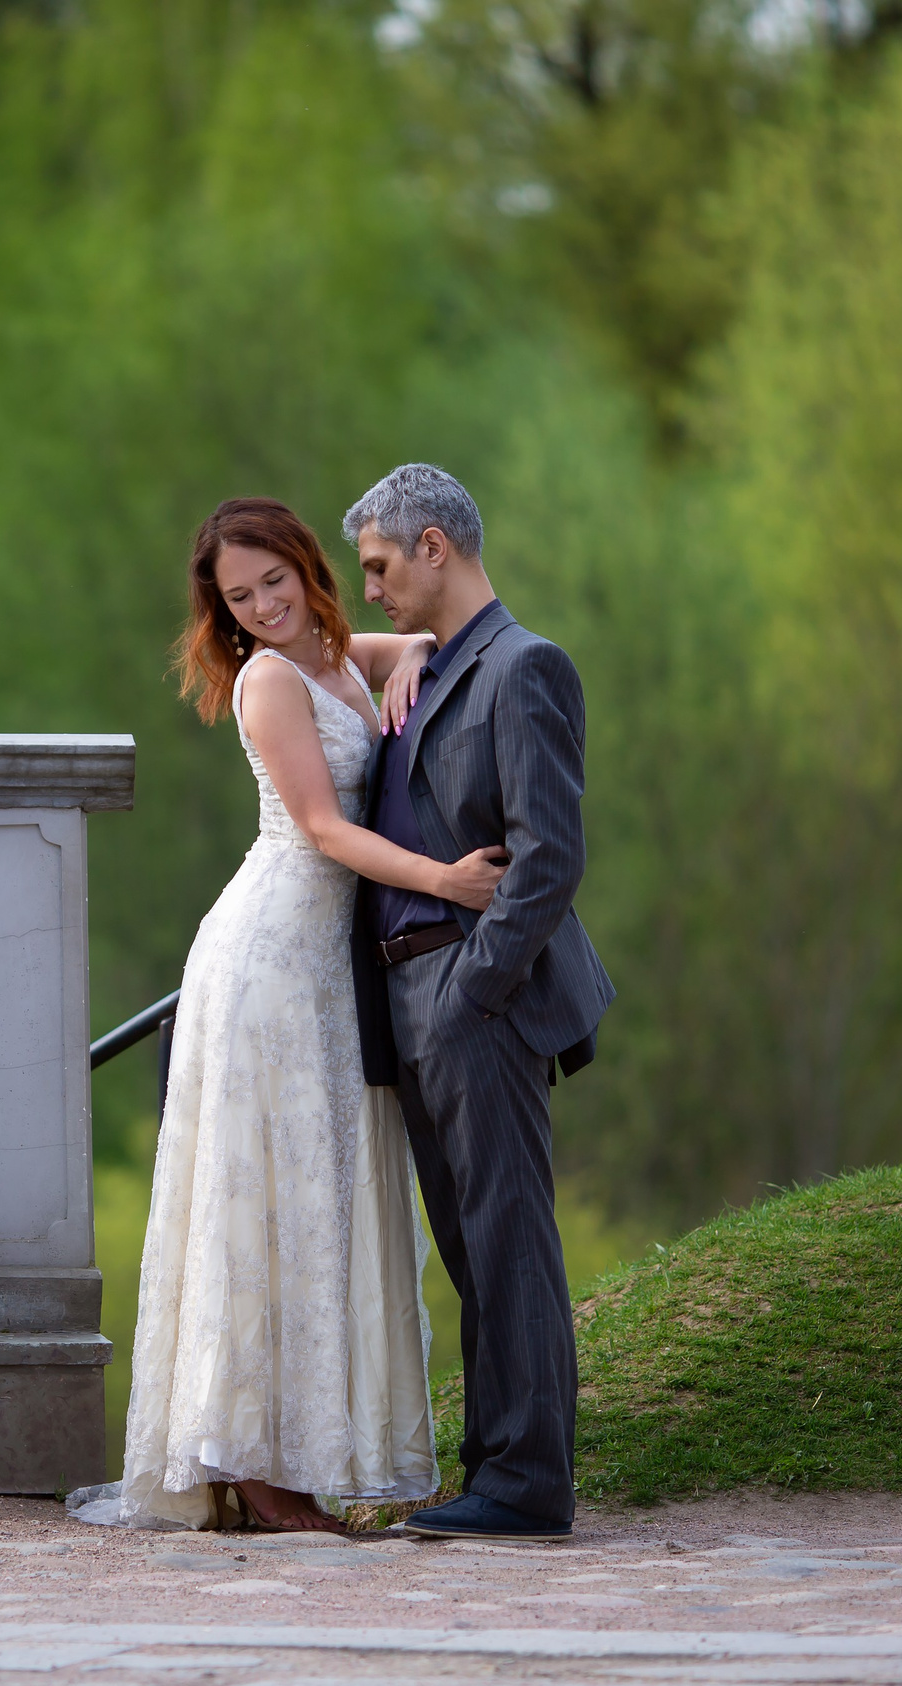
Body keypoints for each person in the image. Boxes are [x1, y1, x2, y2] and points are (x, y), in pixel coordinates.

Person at [79, 495, 504, 1532]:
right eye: (240, 597)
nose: (264, 605)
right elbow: (320, 827)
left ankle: (299, 1462)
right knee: (265, 1205)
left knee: (320, 1204)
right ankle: (256, 1472)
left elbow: (410, 635)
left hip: (329, 969)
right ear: (220, 613)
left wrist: (403, 656)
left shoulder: (326, 648)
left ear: (302, 566)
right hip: (268, 961)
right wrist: (444, 883)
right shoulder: (269, 681)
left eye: (274, 579)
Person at [343, 464, 615, 1543]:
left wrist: (472, 992)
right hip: (406, 1000)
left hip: (476, 997)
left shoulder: (525, 668)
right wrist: (407, 650)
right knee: (469, 1248)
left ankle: (528, 1482)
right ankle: (490, 1470)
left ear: (433, 548)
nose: (367, 589)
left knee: (509, 1241)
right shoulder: (431, 666)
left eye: (377, 565)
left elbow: (548, 861)